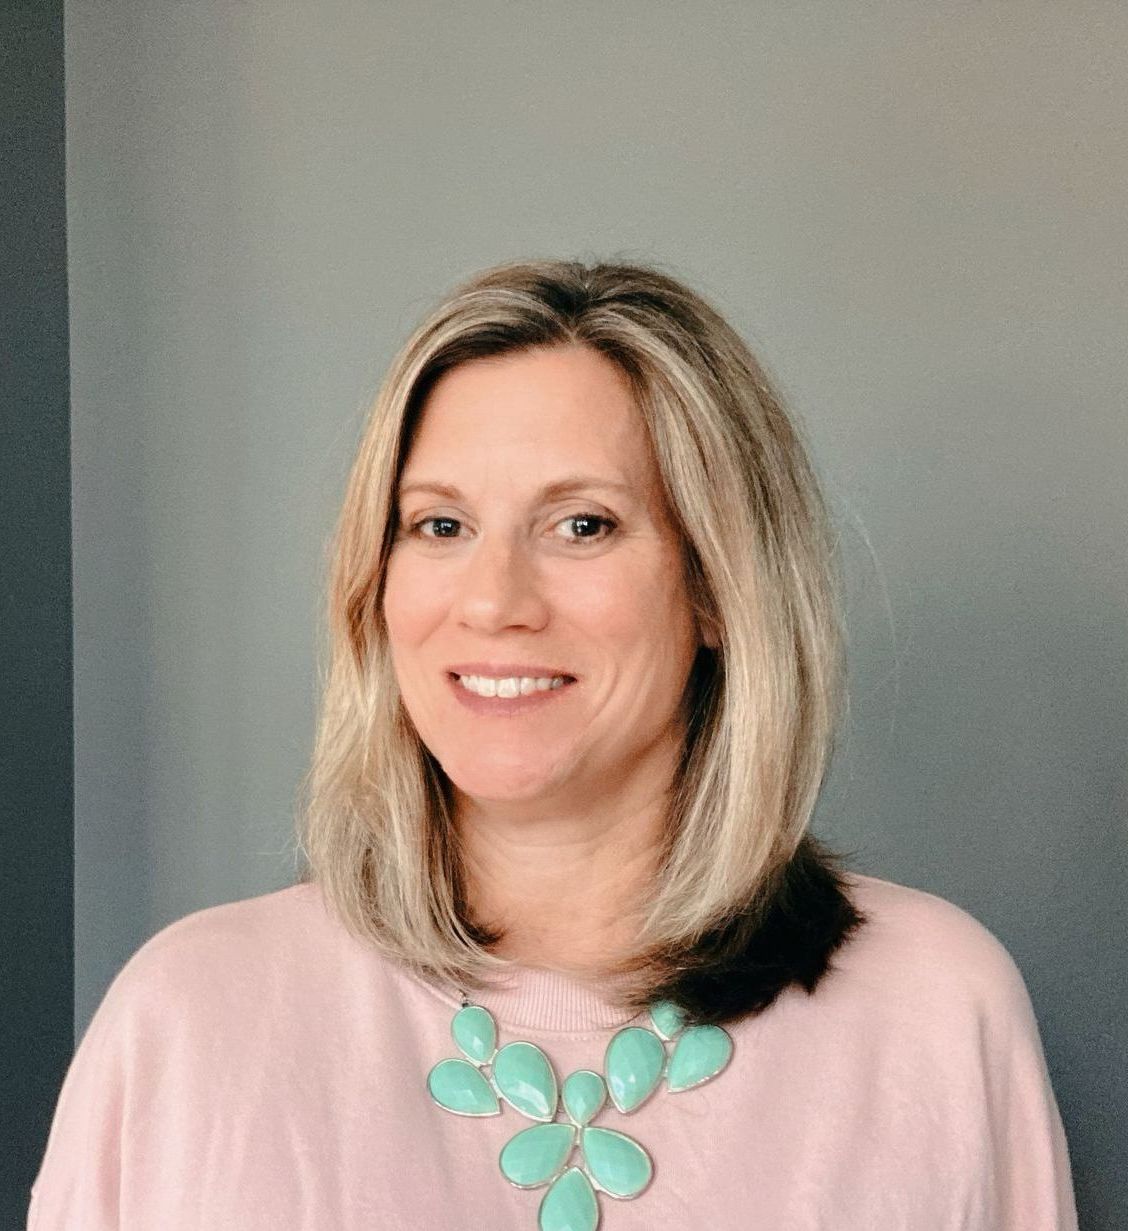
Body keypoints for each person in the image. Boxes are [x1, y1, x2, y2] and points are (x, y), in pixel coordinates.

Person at [28, 259, 1078, 1230]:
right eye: (439, 525)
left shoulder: (937, 1012)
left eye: (582, 524)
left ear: (717, 586)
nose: (493, 601)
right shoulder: (191, 1021)